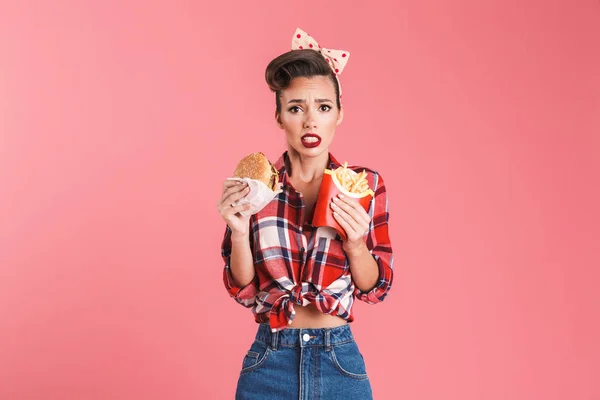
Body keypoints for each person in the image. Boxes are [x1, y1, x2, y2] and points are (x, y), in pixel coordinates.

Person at [217, 28, 394, 400]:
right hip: (270, 360)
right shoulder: (257, 186)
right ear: (280, 116)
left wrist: (357, 244)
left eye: (323, 107)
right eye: (296, 107)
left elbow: (374, 288)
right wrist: (237, 230)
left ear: (339, 114)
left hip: (339, 361)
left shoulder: (363, 185)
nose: (310, 121)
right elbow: (244, 288)